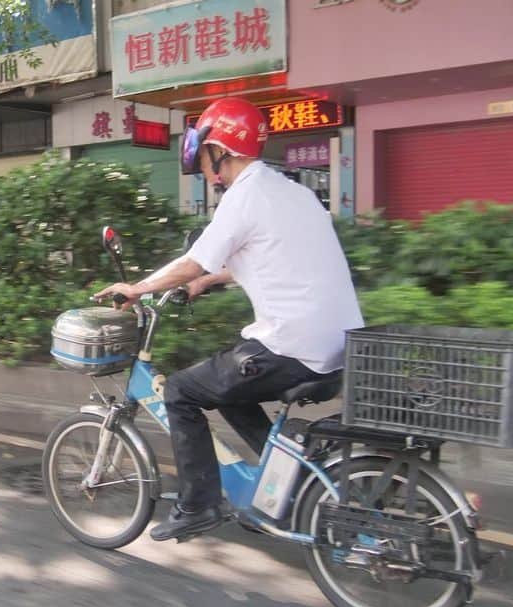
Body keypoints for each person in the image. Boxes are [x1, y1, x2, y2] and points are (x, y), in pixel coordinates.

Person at [94, 97, 363, 542]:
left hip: (293, 348)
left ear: (222, 149)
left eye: (203, 154)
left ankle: (198, 505)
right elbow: (269, 255)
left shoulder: (243, 197)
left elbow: (192, 260)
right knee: (229, 390)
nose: (202, 165)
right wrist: (209, 280)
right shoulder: (291, 191)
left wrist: (138, 288)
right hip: (335, 347)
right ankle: (286, 477)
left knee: (181, 390)